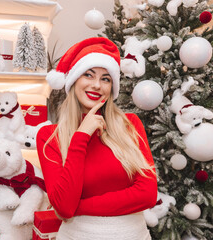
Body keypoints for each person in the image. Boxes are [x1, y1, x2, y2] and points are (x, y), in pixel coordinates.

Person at [36, 37, 157, 240]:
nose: (96, 85)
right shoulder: (49, 137)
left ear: (112, 87)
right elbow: (65, 206)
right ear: (74, 80)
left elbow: (147, 194)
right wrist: (81, 136)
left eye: (105, 79)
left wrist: (80, 207)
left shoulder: (130, 125)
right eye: (88, 75)